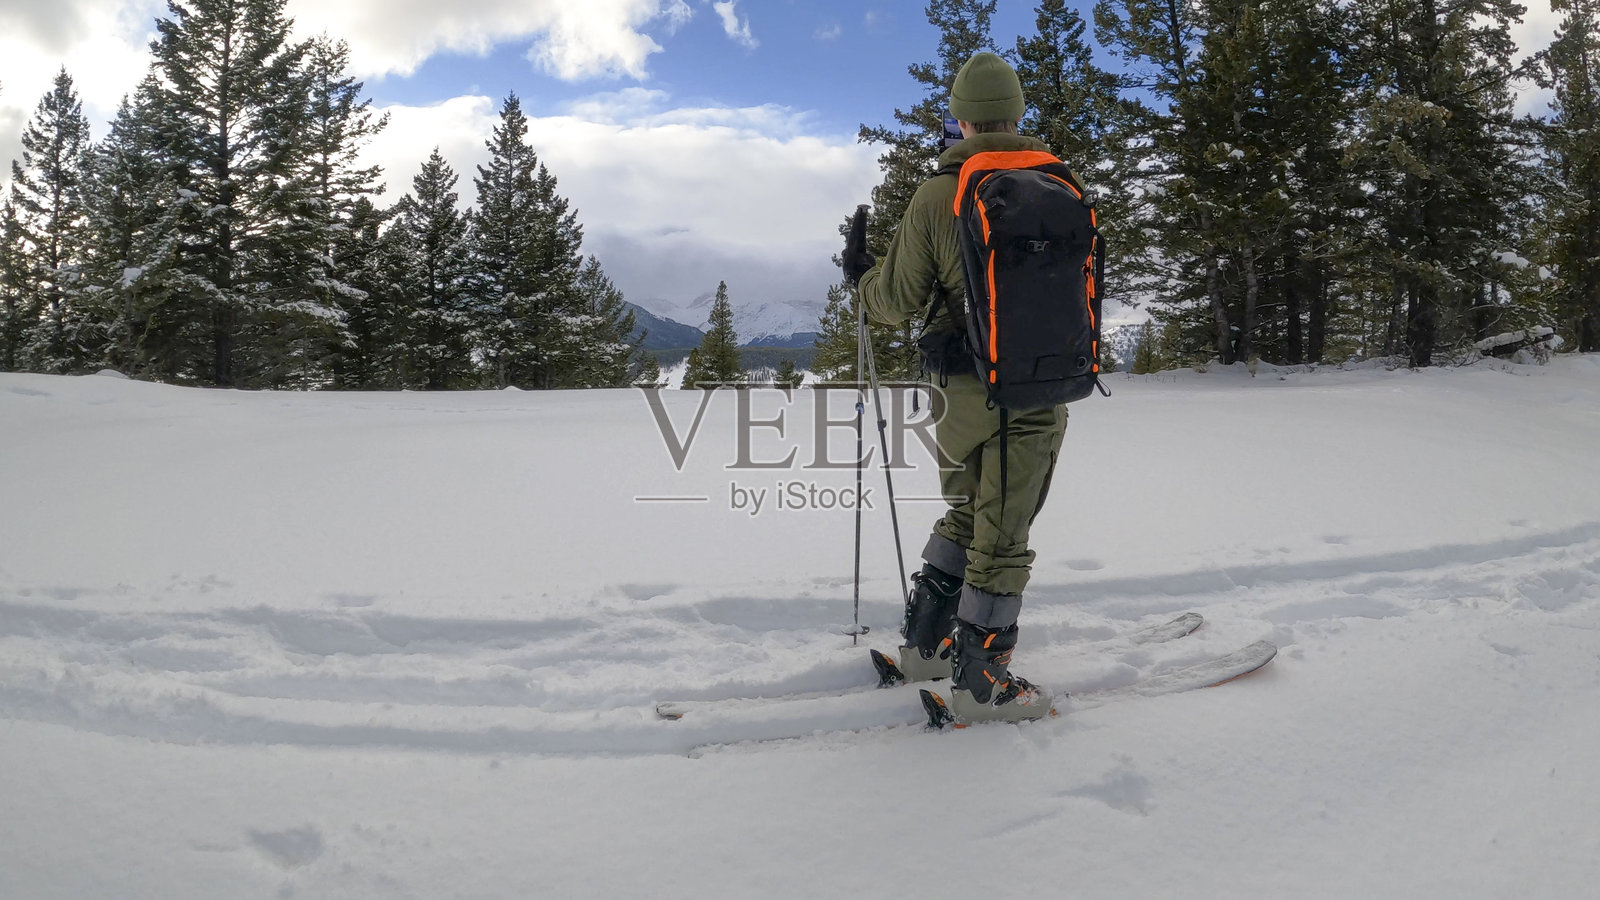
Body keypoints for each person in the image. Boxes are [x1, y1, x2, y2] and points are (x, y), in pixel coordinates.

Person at [847, 52, 1069, 723]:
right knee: (1002, 532)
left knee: (969, 514)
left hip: (956, 391)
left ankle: (927, 645)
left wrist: (859, 275)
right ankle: (981, 682)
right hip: (1032, 389)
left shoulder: (939, 195)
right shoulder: (1058, 183)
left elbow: (893, 299)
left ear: (961, 119)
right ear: (1018, 114)